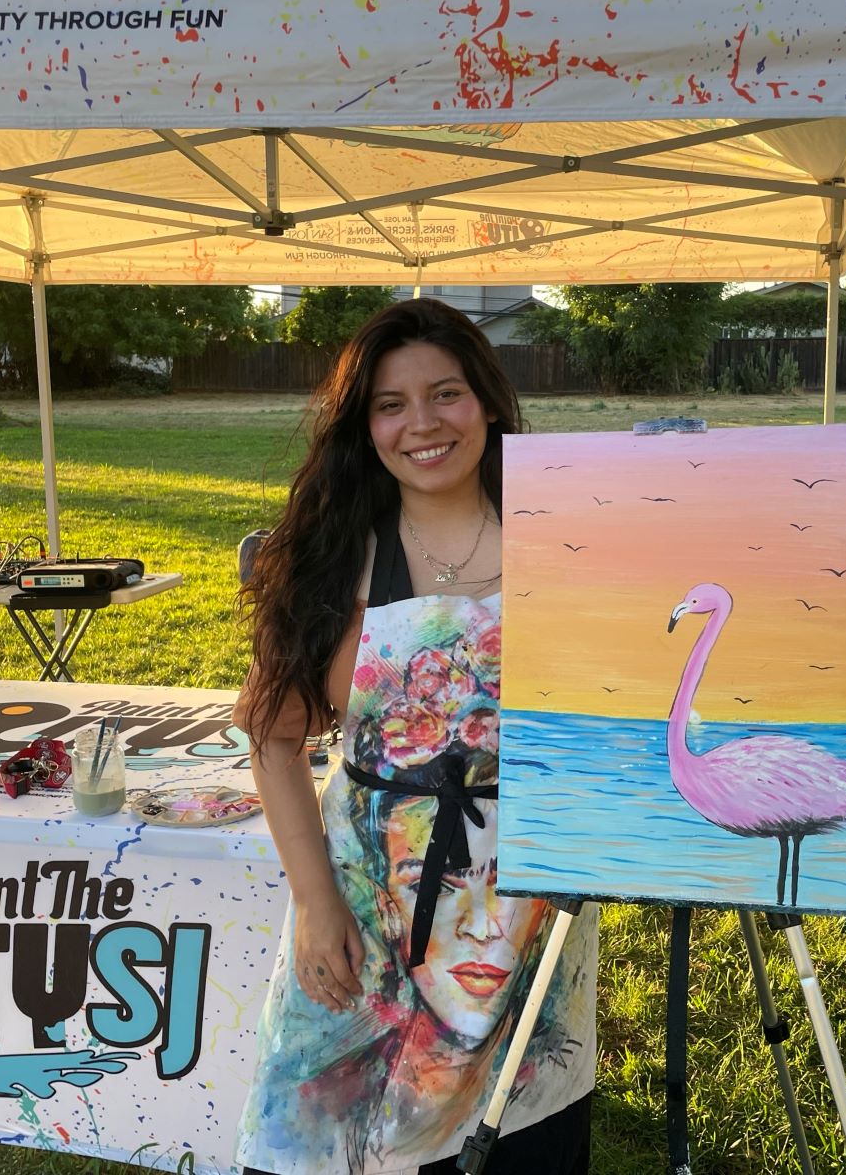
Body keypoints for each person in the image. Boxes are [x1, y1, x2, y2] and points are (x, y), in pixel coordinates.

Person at [232, 298, 597, 1175]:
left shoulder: (570, 546)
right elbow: (276, 742)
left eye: (446, 394)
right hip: (369, 908)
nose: (422, 424)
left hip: (531, 903)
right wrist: (318, 906)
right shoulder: (331, 555)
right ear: (366, 426)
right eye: (391, 405)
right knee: (319, 1147)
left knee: (517, 1139)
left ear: (489, 405)